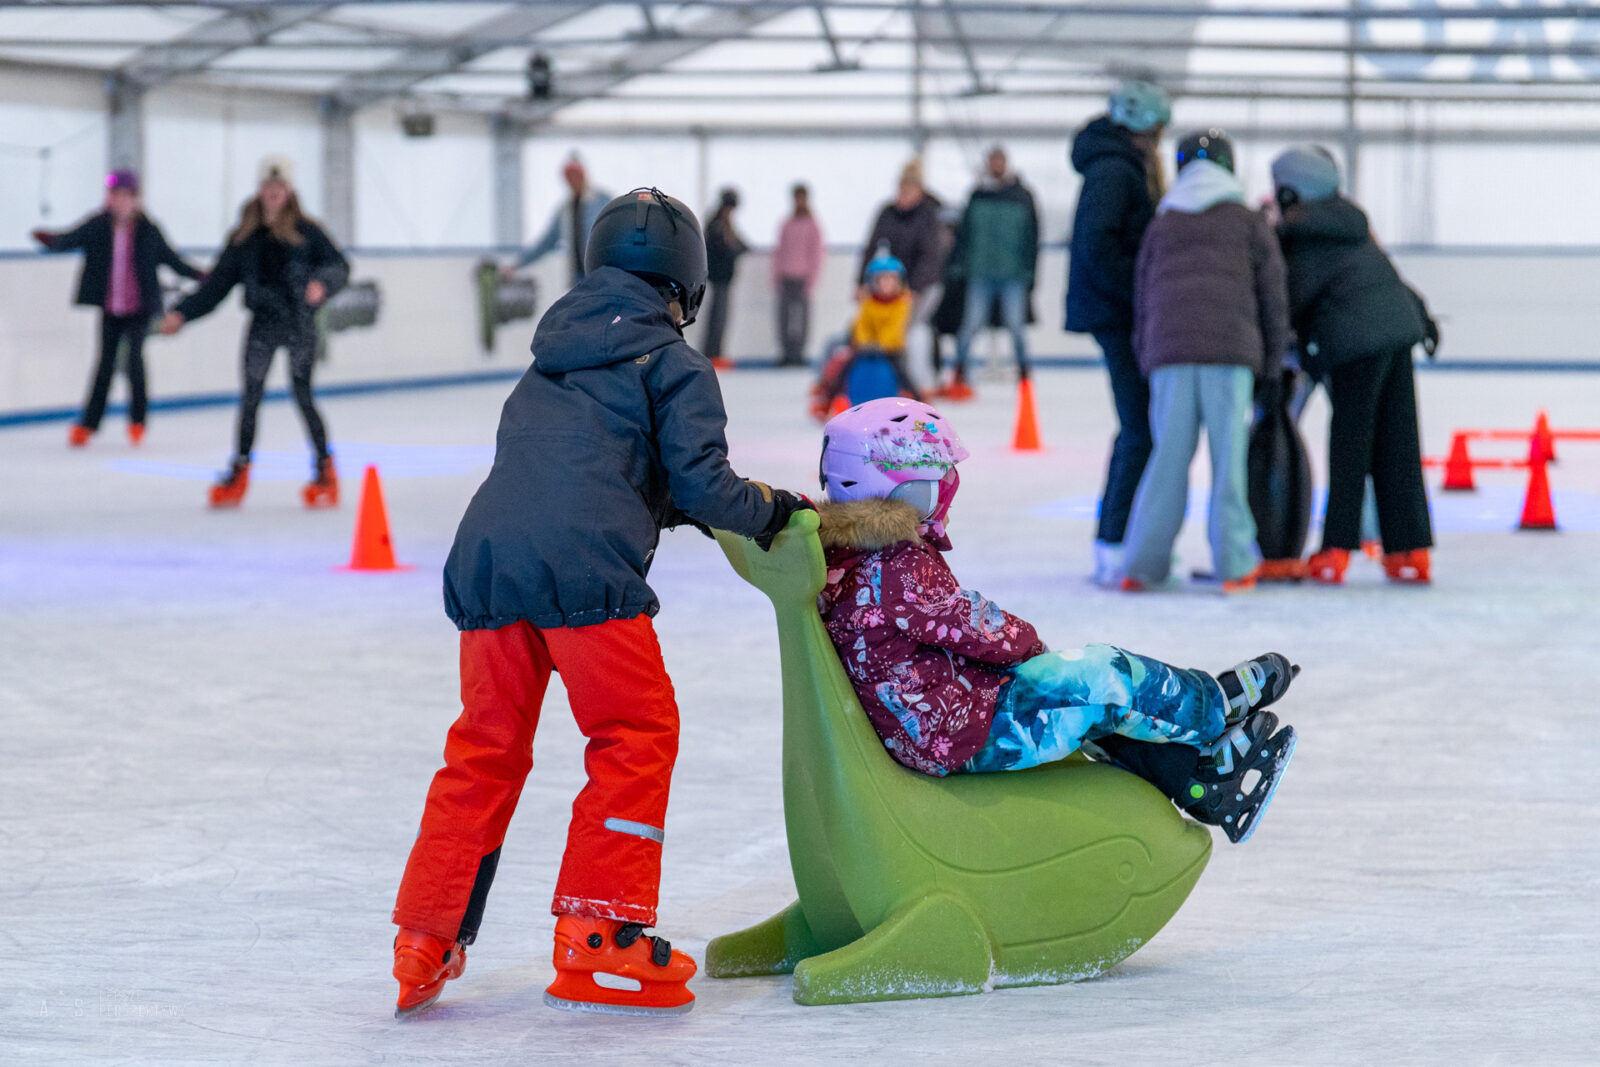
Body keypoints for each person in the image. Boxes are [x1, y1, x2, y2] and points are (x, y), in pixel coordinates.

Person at [390, 188, 812, 1020]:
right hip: (587, 575)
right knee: (634, 731)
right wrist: (776, 509)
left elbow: (592, 464)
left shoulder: (550, 359)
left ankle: (424, 935)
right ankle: (599, 930)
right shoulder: (678, 364)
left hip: (489, 562)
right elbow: (702, 482)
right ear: (686, 287)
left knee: (484, 748)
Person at [814, 397, 1298, 844]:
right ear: (906, 487)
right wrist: (1031, 648)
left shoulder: (851, 555)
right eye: (937, 479)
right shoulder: (897, 565)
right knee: (1098, 675)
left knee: (1074, 699)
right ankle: (1214, 706)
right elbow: (979, 628)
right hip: (959, 734)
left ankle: (1197, 780)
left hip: (935, 723)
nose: (946, 491)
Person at [1120, 130, 1289, 593]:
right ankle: (1235, 565)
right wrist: (1273, 364)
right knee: (1228, 460)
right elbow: (1272, 294)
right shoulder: (1249, 220)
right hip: (1230, 354)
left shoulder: (1164, 222)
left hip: (1169, 355)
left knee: (1168, 458)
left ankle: (1142, 565)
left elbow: (1143, 296)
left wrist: (1146, 354)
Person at [1272, 146, 1438, 586]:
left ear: (1290, 191)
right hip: (1398, 332)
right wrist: (1423, 318)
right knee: (1398, 441)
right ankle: (1409, 549)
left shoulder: (1300, 234)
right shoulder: (1352, 224)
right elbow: (1389, 276)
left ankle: (1335, 550)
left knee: (1350, 444)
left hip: (1353, 346)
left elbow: (1292, 299)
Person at [161, 157, 349, 509]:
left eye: (280, 189)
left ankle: (325, 468)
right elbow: (217, 285)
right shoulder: (245, 237)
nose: (274, 194)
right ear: (261, 190)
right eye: (268, 187)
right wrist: (182, 314)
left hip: (298, 322)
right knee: (250, 398)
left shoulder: (308, 232)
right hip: (262, 322)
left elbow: (339, 265)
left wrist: (323, 284)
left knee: (302, 394)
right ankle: (240, 469)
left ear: (289, 192)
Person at [1066, 80, 1172, 587]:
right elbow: (1098, 247)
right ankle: (1114, 539)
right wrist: (1142, 292)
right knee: (1140, 429)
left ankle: (1120, 535)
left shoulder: (1114, 166)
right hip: (1117, 314)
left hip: (1116, 312)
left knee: (1141, 427)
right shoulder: (1114, 171)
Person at [32, 169, 204, 447]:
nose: (119, 202)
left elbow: (172, 260)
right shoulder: (98, 225)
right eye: (114, 196)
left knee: (134, 363)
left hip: (139, 310)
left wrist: (201, 275)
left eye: (125, 196)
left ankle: (137, 421)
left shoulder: (148, 230)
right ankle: (88, 424)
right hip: (111, 309)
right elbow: (69, 239)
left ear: (135, 199)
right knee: (104, 365)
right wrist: (50, 241)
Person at [946, 146, 1039, 399]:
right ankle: (959, 371)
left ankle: (1024, 375)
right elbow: (964, 235)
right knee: (970, 325)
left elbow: (1032, 236)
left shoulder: (1022, 196)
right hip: (980, 272)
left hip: (1013, 273)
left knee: (1016, 327)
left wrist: (1030, 271)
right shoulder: (977, 195)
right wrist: (959, 265)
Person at [810, 245, 921, 418]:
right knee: (845, 367)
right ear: (873, 282)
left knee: (902, 372)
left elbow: (896, 327)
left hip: (892, 348)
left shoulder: (902, 303)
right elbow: (861, 325)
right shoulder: (868, 301)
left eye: (891, 280)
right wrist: (864, 342)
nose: (886, 284)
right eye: (882, 280)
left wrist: (882, 343)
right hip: (865, 347)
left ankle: (920, 402)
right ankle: (828, 400)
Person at [509, 154, 610, 289]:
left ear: (583, 175)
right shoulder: (565, 210)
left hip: (601, 274)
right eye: (569, 177)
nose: (573, 180)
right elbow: (546, 242)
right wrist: (517, 264)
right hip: (578, 277)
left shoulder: (602, 201)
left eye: (576, 175)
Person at [772, 183, 825, 366]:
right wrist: (776, 275)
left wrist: (812, 279)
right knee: (784, 318)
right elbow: (779, 251)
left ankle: (799, 353)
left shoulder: (812, 225)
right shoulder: (787, 224)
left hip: (802, 278)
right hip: (786, 276)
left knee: (802, 318)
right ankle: (786, 353)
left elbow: (816, 254)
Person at [701, 188, 748, 366]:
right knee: (717, 316)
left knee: (720, 316)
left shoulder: (723, 224)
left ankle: (715, 351)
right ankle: (712, 352)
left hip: (723, 278)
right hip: (719, 277)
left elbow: (742, 246)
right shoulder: (717, 225)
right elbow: (726, 248)